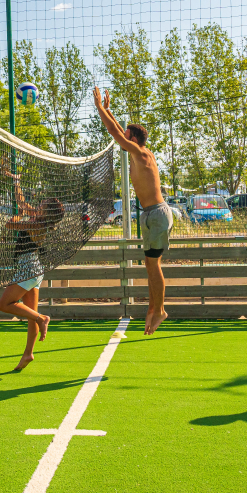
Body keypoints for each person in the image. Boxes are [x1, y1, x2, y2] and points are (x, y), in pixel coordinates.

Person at [94, 87, 172, 335]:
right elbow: (118, 129)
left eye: (128, 136)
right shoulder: (138, 152)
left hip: (157, 214)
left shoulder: (141, 153)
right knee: (150, 265)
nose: (124, 139)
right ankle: (153, 308)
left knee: (153, 265)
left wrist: (99, 109)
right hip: (151, 215)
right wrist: (107, 110)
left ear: (134, 140)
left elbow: (115, 133)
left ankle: (159, 309)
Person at [0, 169, 63, 371]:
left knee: (5, 304)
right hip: (35, 269)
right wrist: (16, 182)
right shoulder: (39, 219)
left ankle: (42, 319)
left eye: (42, 205)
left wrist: (19, 214)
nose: (38, 205)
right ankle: (28, 353)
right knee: (30, 313)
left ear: (46, 212)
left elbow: (10, 224)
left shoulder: (36, 223)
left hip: (28, 269)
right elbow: (22, 202)